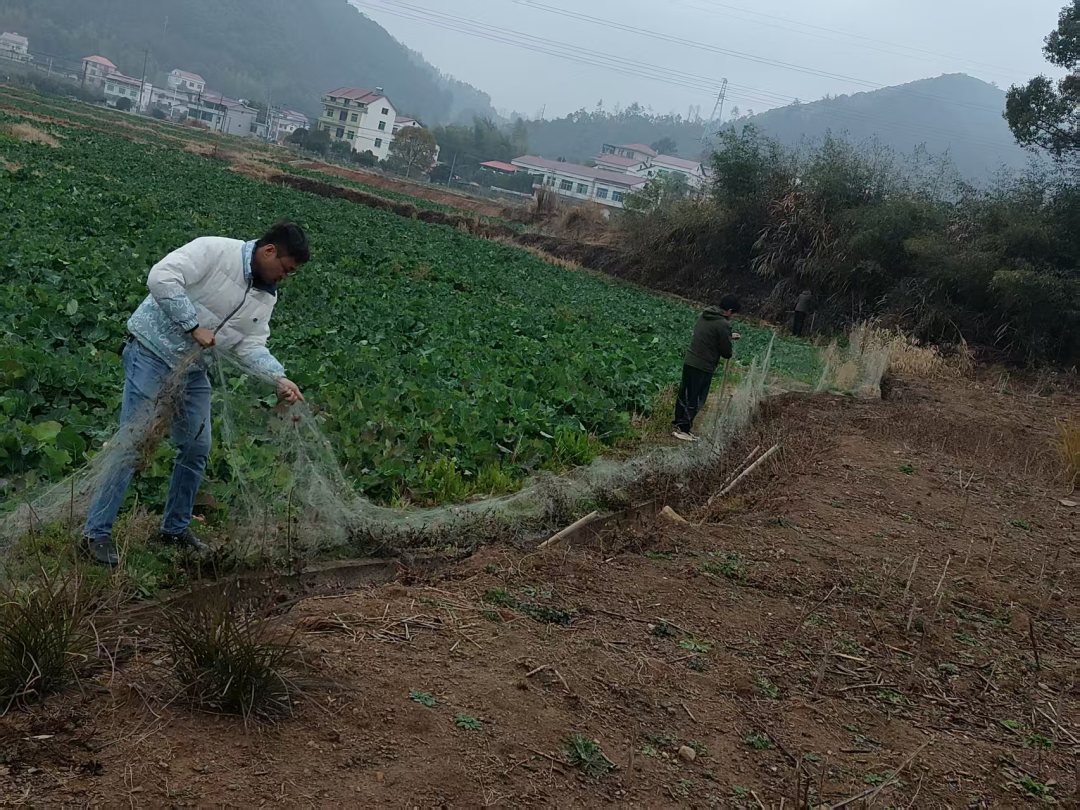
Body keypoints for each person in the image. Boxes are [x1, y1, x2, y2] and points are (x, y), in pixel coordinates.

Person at [81, 223, 310, 566]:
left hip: (193, 370)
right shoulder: (215, 250)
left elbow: (250, 344)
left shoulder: (266, 295)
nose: (285, 277)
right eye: (286, 269)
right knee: (133, 441)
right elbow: (161, 277)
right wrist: (192, 325)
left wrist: (277, 377)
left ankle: (174, 529)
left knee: (196, 446)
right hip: (151, 352)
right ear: (269, 251)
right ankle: (95, 534)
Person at [673, 296, 741, 441]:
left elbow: (710, 335)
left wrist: (728, 336)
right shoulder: (723, 324)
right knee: (696, 397)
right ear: (729, 311)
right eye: (734, 315)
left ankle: (678, 423)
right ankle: (684, 429)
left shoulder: (704, 315)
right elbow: (726, 352)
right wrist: (728, 339)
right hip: (703, 365)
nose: (733, 317)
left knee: (685, 393)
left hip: (690, 360)